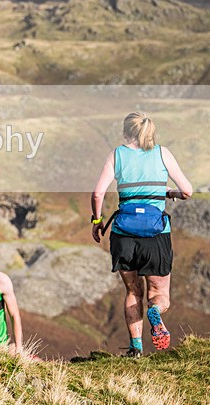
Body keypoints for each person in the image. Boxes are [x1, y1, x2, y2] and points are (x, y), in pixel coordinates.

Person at [91, 111, 192, 357]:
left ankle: (135, 348)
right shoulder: (162, 154)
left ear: (126, 132)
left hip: (123, 234)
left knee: (133, 291)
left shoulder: (116, 155)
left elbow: (97, 194)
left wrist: (97, 220)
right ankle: (154, 311)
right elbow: (187, 191)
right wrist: (169, 193)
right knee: (159, 294)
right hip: (155, 235)